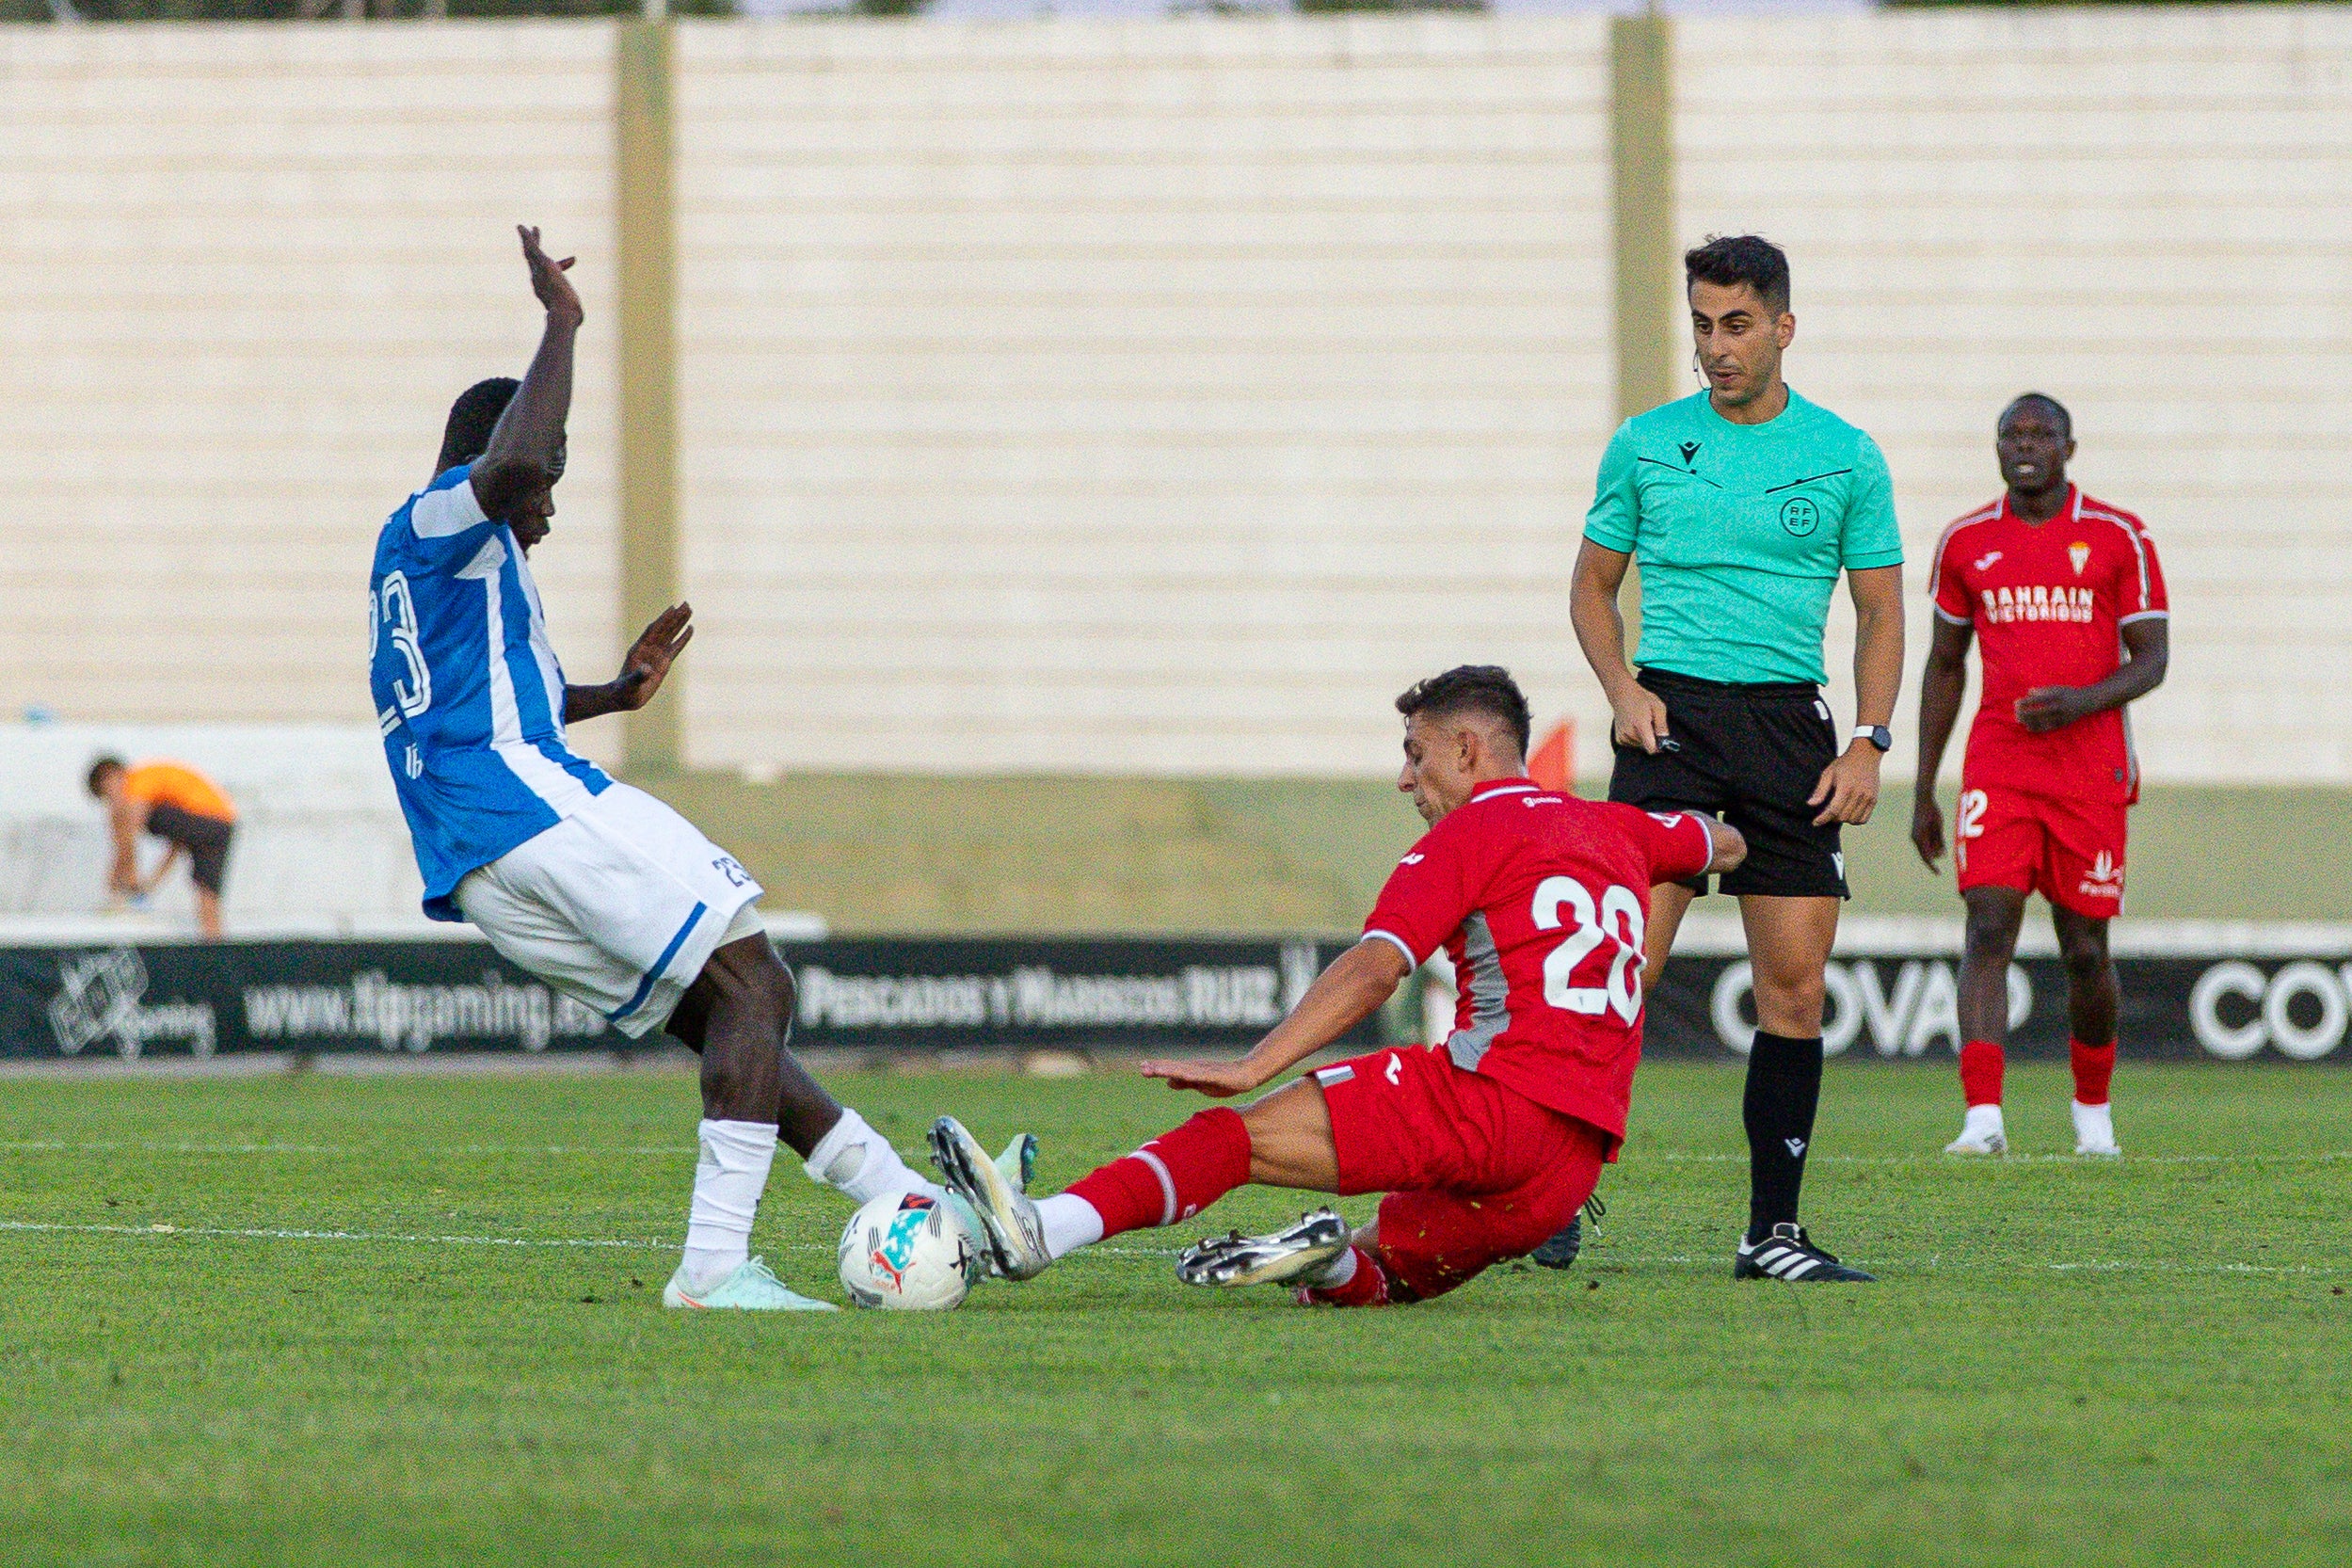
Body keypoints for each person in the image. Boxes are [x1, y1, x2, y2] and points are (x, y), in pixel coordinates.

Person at [371, 227, 1023, 1312]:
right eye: (550, 479)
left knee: (723, 1013)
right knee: (758, 980)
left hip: (476, 850)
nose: (550, 502)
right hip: (521, 803)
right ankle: (714, 1269)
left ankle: (911, 1201)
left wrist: (612, 697)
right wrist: (563, 325)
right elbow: (516, 461)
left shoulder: (438, 566)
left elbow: (472, 695)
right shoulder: (445, 513)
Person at [926, 665, 1745, 1305]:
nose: (1405, 780)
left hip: (1490, 1102)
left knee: (1229, 1137)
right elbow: (1722, 842)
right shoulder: (1622, 830)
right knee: (1377, 1278)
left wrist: (1256, 1064)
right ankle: (1322, 1261)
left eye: (1415, 754)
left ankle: (1041, 1231)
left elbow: (1375, 965)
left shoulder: (1471, 832)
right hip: (1569, 1170)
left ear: (1467, 750)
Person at [1560, 234, 1904, 1283]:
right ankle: (1551, 1191)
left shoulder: (1846, 453)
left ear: (1784, 326)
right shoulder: (1646, 444)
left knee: (1792, 994)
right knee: (1626, 971)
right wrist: (1623, 692)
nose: (1716, 346)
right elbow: (1591, 588)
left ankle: (1771, 1235)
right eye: (1703, 324)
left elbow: (1882, 610)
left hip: (1789, 736)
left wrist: (1868, 740)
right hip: (1671, 727)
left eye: (1738, 324)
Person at [1912, 394, 2168, 1158]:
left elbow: (2152, 659)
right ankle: (1982, 1117)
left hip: (2089, 768)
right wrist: (1924, 784)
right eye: (2011, 436)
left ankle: (2092, 1114)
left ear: (2068, 448)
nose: (2025, 447)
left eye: (2041, 435)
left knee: (2084, 947)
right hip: (2000, 763)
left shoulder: (2118, 536)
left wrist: (2080, 703)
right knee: (1987, 926)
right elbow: (1945, 664)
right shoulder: (1964, 542)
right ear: (1996, 449)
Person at [87, 757, 238, 938]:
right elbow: (178, 843)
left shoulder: (137, 782)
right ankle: (215, 943)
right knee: (207, 892)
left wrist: (120, 882)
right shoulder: (169, 803)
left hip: (207, 819)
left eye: (107, 794)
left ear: (113, 776)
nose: (111, 801)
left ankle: (125, 887)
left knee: (123, 817)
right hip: (222, 825)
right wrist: (152, 883)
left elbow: (128, 838)